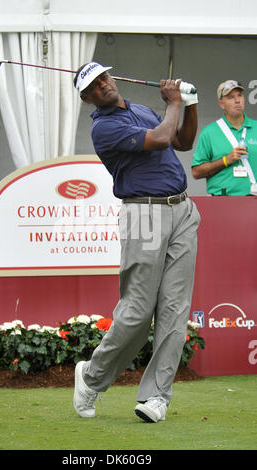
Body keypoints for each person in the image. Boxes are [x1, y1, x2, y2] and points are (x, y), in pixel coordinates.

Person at [72, 62, 200, 423]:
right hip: (142, 214)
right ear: (87, 99)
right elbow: (160, 138)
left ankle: (156, 396)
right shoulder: (105, 126)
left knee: (175, 311)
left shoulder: (141, 110)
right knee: (138, 312)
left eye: (104, 78)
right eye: (94, 87)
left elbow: (183, 141)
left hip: (182, 211)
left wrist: (189, 103)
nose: (104, 86)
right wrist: (174, 102)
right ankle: (92, 377)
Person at [192, 80, 257, 196]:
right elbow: (196, 172)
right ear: (221, 104)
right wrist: (225, 160)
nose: (237, 100)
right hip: (222, 202)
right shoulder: (209, 132)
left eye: (240, 96)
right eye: (231, 97)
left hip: (254, 200)